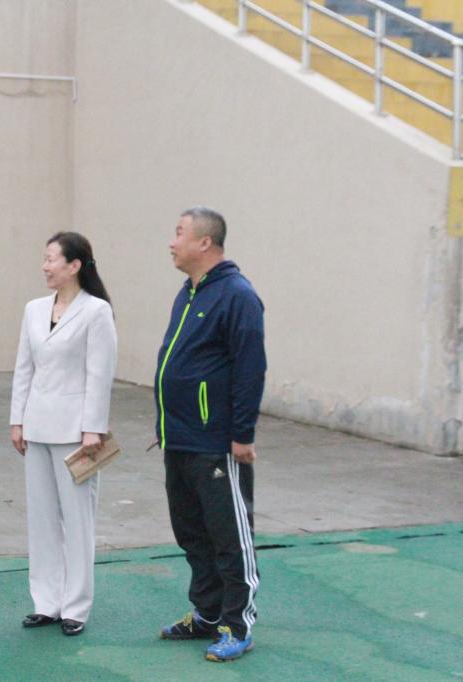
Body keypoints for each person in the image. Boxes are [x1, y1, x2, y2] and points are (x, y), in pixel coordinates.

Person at [155, 207, 266, 662]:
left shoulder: (237, 295)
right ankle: (207, 613)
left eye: (179, 232)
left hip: (216, 443)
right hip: (179, 439)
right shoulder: (188, 292)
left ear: (205, 242)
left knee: (228, 538)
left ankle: (237, 625)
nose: (172, 242)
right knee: (193, 533)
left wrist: (242, 434)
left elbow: (250, 368)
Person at [9, 232, 117, 637]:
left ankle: (75, 607)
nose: (45, 266)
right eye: (44, 258)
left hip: (76, 433)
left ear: (75, 265)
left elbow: (99, 373)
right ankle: (46, 602)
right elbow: (24, 368)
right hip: (36, 426)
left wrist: (93, 429)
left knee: (77, 521)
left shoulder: (96, 311)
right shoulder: (34, 309)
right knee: (41, 520)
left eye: (52, 259)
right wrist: (17, 421)